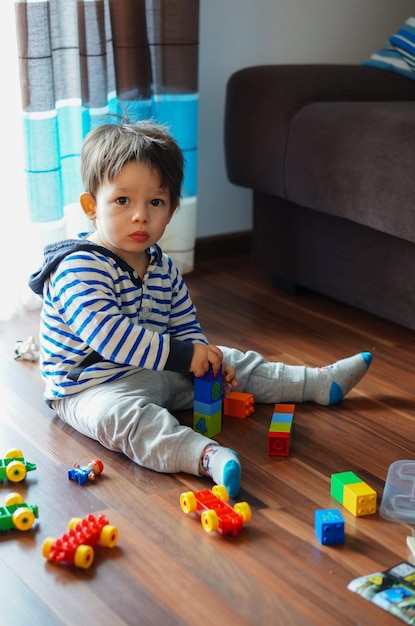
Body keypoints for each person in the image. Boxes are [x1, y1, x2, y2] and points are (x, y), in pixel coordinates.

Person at [29, 119, 372, 498]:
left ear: (172, 209)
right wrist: (184, 355)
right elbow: (110, 336)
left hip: (154, 369)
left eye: (155, 202)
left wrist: (203, 358)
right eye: (123, 200)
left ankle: (316, 383)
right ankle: (205, 456)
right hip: (89, 389)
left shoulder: (164, 267)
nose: (140, 215)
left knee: (231, 361)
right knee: (123, 420)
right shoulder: (79, 266)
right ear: (92, 207)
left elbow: (184, 325)